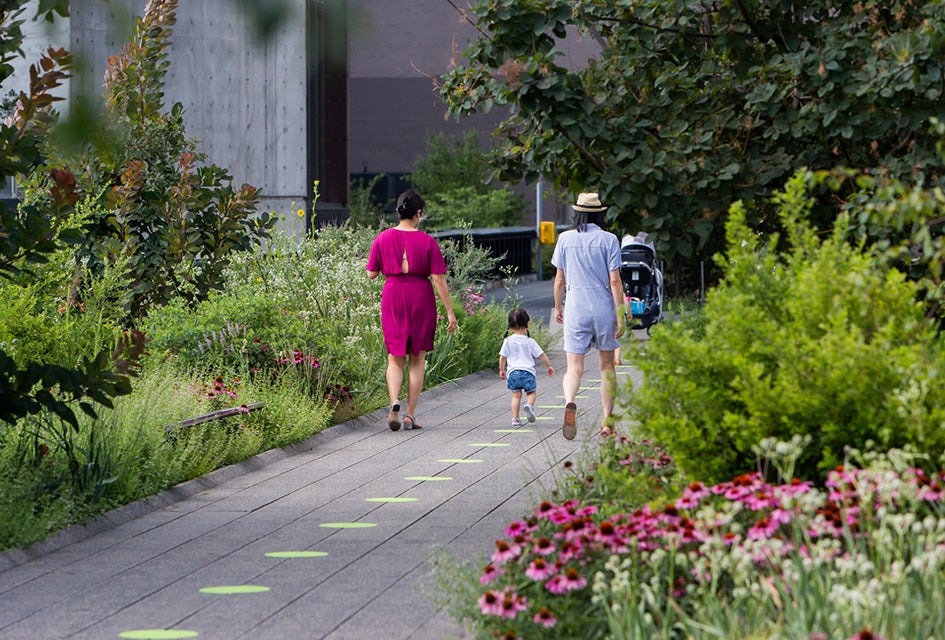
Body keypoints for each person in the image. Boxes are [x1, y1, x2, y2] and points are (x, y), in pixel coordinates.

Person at [366, 189, 458, 431]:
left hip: (393, 294)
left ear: (399, 212)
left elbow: (371, 273)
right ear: (418, 214)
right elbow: (438, 278)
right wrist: (450, 311)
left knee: (394, 358)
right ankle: (409, 415)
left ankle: (394, 401)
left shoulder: (382, 238)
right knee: (417, 359)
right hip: (420, 295)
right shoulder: (427, 241)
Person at [551, 192, 627, 439]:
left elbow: (559, 280)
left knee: (574, 368)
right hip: (603, 306)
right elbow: (615, 281)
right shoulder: (609, 240)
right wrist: (621, 314)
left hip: (575, 306)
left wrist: (558, 307)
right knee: (606, 368)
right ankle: (607, 421)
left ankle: (570, 401)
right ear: (600, 214)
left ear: (577, 213)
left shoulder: (564, 239)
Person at [498, 308, 555, 427]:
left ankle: (515, 418)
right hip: (527, 372)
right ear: (528, 323)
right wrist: (549, 366)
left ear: (510, 326)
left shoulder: (507, 341)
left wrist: (502, 370)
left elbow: (502, 357)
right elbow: (541, 355)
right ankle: (529, 405)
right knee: (531, 392)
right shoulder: (530, 341)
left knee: (516, 396)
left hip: (513, 372)